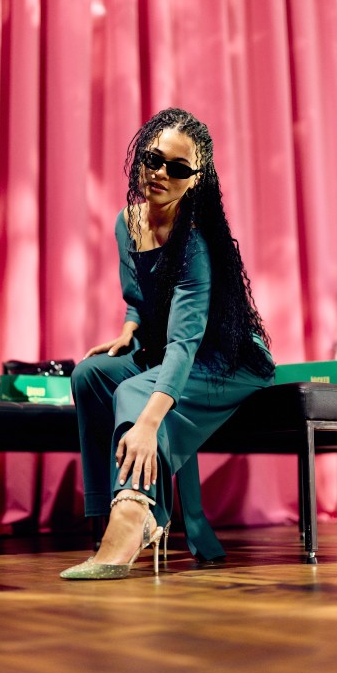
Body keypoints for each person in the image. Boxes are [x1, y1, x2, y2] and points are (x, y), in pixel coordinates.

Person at [60, 108, 275, 580]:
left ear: (195, 180)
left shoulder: (194, 240)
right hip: (177, 352)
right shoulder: (128, 222)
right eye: (154, 159)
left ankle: (134, 513)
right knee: (91, 375)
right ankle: (108, 510)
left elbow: (184, 342)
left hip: (229, 360)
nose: (160, 173)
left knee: (134, 392)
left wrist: (147, 422)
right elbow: (139, 297)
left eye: (178, 168)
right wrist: (130, 328)